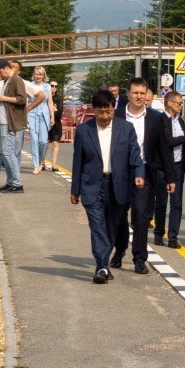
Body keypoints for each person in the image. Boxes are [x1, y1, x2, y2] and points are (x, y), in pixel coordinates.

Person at [70, 89, 146, 284]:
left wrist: (138, 174)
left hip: (117, 185)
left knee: (111, 227)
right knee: (97, 226)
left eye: (109, 112)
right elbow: (77, 161)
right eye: (100, 112)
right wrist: (75, 189)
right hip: (92, 185)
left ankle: (102, 265)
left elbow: (135, 155)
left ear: (114, 109)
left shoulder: (125, 128)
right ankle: (102, 265)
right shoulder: (84, 130)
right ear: (93, 110)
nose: (105, 116)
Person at [114, 77, 175, 273]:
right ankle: (120, 249)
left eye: (142, 93)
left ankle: (139, 258)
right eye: (135, 93)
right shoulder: (116, 116)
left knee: (141, 216)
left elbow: (164, 149)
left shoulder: (156, 118)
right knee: (119, 215)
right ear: (128, 94)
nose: (139, 97)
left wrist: (170, 177)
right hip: (120, 174)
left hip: (146, 174)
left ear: (146, 94)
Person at [0, 58, 28, 193]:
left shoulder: (16, 80)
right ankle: (10, 182)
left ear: (6, 69)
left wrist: (3, 98)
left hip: (9, 122)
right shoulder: (7, 81)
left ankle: (17, 183)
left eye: (1, 72)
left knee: (8, 153)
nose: (0, 75)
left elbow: (22, 99)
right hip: (1, 122)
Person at [162, 90, 185, 248]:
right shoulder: (162, 120)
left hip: (178, 165)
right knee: (161, 202)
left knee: (177, 202)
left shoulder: (180, 121)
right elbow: (168, 141)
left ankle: (173, 237)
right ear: (170, 103)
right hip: (164, 166)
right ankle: (159, 232)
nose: (181, 105)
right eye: (179, 103)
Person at [25, 67, 52, 174]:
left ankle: (41, 161)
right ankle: (36, 165)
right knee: (34, 140)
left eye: (40, 74)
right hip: (31, 113)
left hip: (44, 113)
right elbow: (26, 101)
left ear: (43, 75)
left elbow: (50, 102)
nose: (38, 76)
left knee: (43, 141)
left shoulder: (47, 86)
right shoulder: (29, 85)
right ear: (33, 74)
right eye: (36, 74)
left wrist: (52, 117)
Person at [43, 81, 64, 171]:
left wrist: (54, 111)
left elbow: (59, 114)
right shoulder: (44, 97)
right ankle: (42, 163)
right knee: (44, 143)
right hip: (45, 123)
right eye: (52, 86)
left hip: (56, 124)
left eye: (56, 86)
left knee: (55, 143)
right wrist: (52, 109)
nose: (54, 87)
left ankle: (54, 165)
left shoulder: (59, 98)